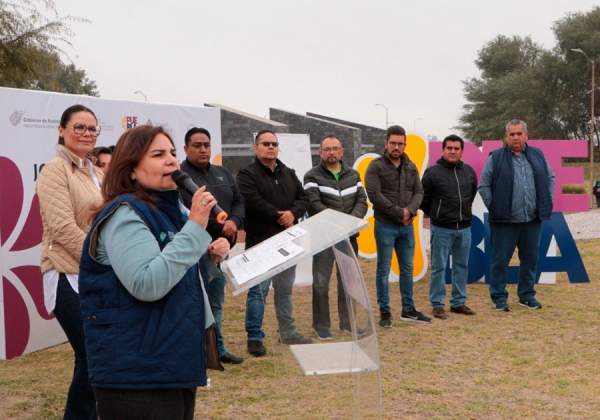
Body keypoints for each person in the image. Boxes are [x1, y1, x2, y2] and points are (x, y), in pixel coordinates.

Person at [78, 125, 229, 420]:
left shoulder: (166, 212)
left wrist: (209, 259)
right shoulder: (126, 214)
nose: (172, 161)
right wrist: (196, 227)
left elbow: (178, 272)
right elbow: (147, 283)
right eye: (158, 154)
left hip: (170, 361)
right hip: (136, 374)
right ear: (131, 169)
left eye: (172, 153)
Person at [36, 104, 103, 419]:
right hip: (66, 274)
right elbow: (63, 229)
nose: (87, 133)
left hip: (95, 274)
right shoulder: (54, 170)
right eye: (79, 127)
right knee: (92, 355)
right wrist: (102, 262)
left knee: (92, 357)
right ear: (61, 130)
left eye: (92, 128)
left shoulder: (96, 171)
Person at [236, 130, 312, 357]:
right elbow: (252, 201)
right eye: (265, 143)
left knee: (284, 290)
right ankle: (254, 337)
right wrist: (280, 215)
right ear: (255, 147)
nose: (271, 147)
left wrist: (293, 213)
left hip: (288, 242)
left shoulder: (289, 173)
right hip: (261, 243)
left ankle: (287, 332)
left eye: (274, 143)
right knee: (258, 292)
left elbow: (304, 198)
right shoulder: (246, 175)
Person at [178, 127, 245, 365]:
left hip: (220, 251)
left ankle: (217, 349)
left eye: (206, 144)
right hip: (195, 251)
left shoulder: (222, 172)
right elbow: (187, 210)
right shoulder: (180, 176)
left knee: (216, 302)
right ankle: (195, 353)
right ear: (185, 149)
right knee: (192, 304)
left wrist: (234, 223)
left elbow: (238, 201)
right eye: (197, 145)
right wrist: (216, 232)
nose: (203, 149)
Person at [479, 119, 555, 311]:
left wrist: (546, 201)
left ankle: (526, 296)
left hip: (532, 220)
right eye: (511, 134)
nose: (515, 137)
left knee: (530, 260)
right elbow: (484, 185)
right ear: (506, 137)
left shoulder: (537, 155)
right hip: (505, 222)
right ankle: (499, 297)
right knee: (500, 261)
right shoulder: (495, 157)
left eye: (519, 133)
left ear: (526, 135)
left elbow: (550, 178)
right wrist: (495, 207)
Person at [365, 125, 430, 326]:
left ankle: (408, 309)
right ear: (386, 143)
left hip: (407, 226)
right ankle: (385, 312)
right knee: (383, 270)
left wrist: (409, 211)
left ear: (405, 145)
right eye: (393, 143)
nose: (396, 147)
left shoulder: (411, 166)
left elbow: (419, 191)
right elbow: (374, 195)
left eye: (400, 143)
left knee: (407, 269)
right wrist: (398, 212)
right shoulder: (375, 167)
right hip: (385, 225)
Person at [303, 135, 368, 340]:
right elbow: (313, 204)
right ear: (320, 153)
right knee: (321, 283)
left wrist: (348, 222)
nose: (331, 152)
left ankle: (347, 322)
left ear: (342, 151)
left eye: (335, 148)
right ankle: (321, 325)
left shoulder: (354, 175)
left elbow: (362, 201)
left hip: (348, 237)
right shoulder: (312, 176)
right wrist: (336, 222)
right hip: (323, 237)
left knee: (349, 282)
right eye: (327, 149)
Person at [420, 135, 478, 319]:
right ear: (443, 150)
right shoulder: (432, 173)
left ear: (461, 151)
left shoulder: (468, 171)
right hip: (442, 229)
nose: (453, 151)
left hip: (464, 228)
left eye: (457, 148)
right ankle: (437, 304)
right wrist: (438, 215)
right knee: (439, 267)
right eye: (449, 148)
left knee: (461, 265)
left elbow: (472, 194)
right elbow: (423, 200)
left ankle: (458, 302)